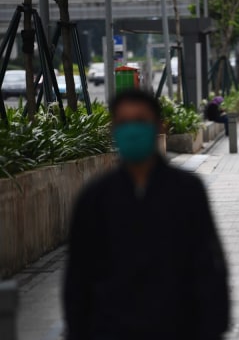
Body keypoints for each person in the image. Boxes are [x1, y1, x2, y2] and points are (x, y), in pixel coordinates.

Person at [63, 89, 229, 340]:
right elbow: (78, 278)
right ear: (114, 130)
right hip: (112, 330)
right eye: (124, 123)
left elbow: (208, 264)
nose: (132, 130)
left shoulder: (187, 191)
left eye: (140, 121)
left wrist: (212, 326)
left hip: (177, 327)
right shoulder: (95, 197)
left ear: (158, 125)